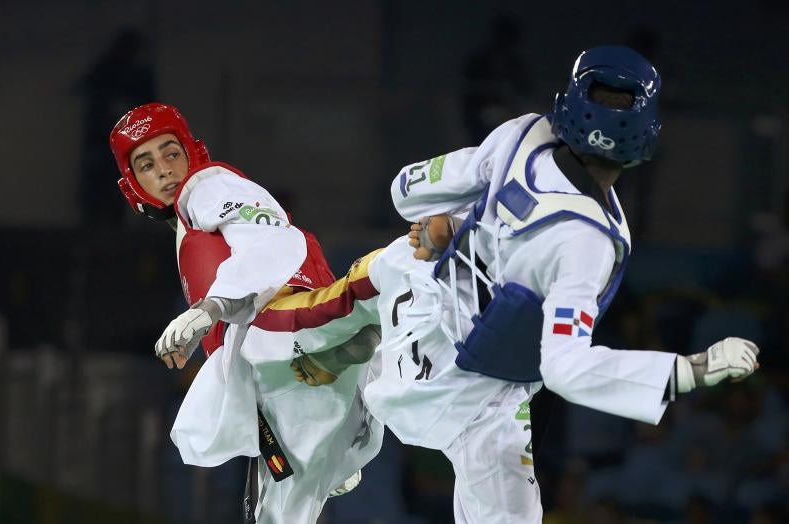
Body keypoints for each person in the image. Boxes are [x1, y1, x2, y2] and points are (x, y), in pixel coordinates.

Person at [278, 46, 761, 524]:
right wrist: (689, 370)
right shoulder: (589, 242)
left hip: (413, 309)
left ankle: (354, 366)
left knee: (401, 257)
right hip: (469, 398)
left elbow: (407, 190)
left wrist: (456, 220)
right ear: (646, 137)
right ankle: (357, 376)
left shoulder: (522, 135)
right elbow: (566, 369)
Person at [108, 103, 381, 524]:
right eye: (146, 164)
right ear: (133, 185)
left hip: (283, 332)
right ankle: (341, 422)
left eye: (171, 153)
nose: (163, 170)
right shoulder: (192, 226)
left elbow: (271, 246)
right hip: (278, 363)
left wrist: (208, 311)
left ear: (192, 153)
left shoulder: (206, 186)